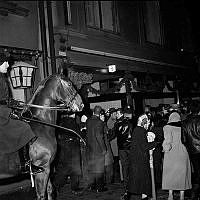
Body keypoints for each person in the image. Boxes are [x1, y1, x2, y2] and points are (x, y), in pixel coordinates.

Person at [0, 59, 43, 174]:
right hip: (1, 115)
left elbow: (4, 99)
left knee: (25, 123)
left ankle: (24, 162)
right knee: (23, 128)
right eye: (5, 63)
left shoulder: (2, 78)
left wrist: (14, 103)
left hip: (4, 112)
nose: (8, 65)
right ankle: (25, 164)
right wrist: (8, 110)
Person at [126, 113, 157, 200]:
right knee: (144, 179)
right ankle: (144, 196)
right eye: (148, 123)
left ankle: (131, 194)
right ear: (144, 123)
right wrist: (154, 143)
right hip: (140, 159)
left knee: (136, 178)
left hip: (135, 158)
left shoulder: (136, 129)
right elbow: (144, 146)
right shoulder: (141, 131)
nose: (148, 125)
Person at [162, 111, 192, 200]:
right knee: (182, 174)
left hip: (171, 154)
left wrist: (164, 149)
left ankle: (170, 195)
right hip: (183, 153)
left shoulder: (167, 128)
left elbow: (167, 142)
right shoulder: (184, 127)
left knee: (170, 174)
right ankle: (182, 195)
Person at [53, 112, 83, 195]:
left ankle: (56, 186)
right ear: (73, 115)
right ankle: (74, 188)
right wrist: (83, 131)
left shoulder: (61, 122)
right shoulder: (72, 122)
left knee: (63, 169)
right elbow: (78, 134)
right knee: (75, 169)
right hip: (72, 148)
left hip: (62, 148)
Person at [110, 108, 132, 197]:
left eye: (118, 113)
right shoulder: (130, 122)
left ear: (122, 114)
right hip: (131, 148)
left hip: (122, 149)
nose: (117, 115)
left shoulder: (117, 124)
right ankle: (133, 184)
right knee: (132, 166)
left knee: (124, 167)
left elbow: (112, 135)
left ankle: (127, 187)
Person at [86, 105, 108, 192]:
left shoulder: (88, 121)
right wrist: (103, 149)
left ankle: (92, 185)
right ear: (100, 113)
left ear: (93, 112)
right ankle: (100, 187)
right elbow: (99, 136)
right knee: (99, 168)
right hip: (98, 149)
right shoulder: (100, 122)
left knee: (92, 167)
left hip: (90, 148)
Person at [182, 101, 200, 200]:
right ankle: (195, 193)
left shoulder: (185, 122)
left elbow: (183, 140)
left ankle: (194, 194)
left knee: (197, 172)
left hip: (193, 151)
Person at [100, 109, 114, 184]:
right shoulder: (102, 125)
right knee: (108, 167)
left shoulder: (103, 124)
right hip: (105, 148)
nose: (103, 117)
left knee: (106, 167)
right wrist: (113, 132)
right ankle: (107, 182)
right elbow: (107, 136)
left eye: (103, 115)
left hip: (103, 148)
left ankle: (105, 182)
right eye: (102, 115)